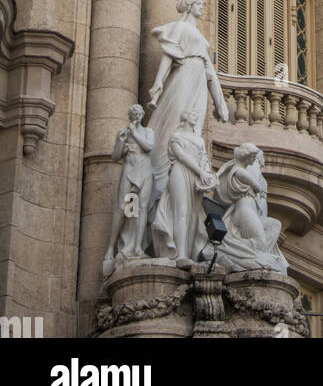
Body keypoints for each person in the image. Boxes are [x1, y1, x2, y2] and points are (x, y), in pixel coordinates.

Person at [148, 0, 228, 194]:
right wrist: (158, 82)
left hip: (199, 81)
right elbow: (168, 56)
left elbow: (210, 73)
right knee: (175, 120)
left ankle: (185, 175)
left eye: (203, 3)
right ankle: (162, 176)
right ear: (190, 5)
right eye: (199, 3)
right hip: (184, 76)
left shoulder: (199, 37)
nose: (202, 6)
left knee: (194, 127)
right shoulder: (180, 27)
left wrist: (220, 104)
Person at [150, 109, 215, 266]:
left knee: (193, 214)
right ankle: (180, 254)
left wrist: (207, 174)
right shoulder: (176, 137)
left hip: (196, 177)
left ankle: (189, 252)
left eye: (196, 115)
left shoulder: (199, 140)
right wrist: (200, 172)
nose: (196, 116)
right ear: (184, 117)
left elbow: (204, 159)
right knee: (181, 212)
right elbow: (182, 156)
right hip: (180, 172)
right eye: (192, 114)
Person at [212, 143, 287, 274]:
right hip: (244, 211)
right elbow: (257, 187)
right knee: (260, 242)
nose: (254, 160)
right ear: (246, 156)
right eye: (253, 157)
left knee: (275, 225)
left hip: (249, 210)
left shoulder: (242, 169)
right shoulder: (240, 171)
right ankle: (230, 249)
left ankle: (258, 254)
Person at [103, 104, 154, 275]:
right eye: (134, 114)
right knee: (123, 208)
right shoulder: (123, 132)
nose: (137, 116)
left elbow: (148, 147)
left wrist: (134, 134)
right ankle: (111, 248)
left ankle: (137, 247)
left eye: (139, 113)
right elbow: (115, 156)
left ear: (142, 115)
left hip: (144, 170)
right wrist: (120, 141)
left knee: (141, 208)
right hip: (129, 169)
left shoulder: (147, 132)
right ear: (130, 116)